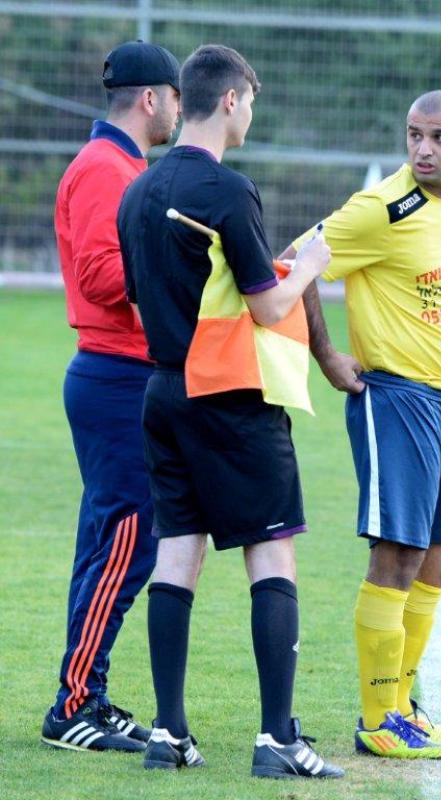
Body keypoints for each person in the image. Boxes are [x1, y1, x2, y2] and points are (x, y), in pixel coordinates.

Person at [117, 44, 344, 779]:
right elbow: (268, 304)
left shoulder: (136, 192)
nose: (251, 114)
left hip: (162, 393)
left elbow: (140, 298)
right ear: (230, 100)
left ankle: (168, 733)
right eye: (250, 102)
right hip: (231, 398)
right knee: (271, 552)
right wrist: (310, 265)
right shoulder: (226, 189)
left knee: (176, 551)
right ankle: (277, 739)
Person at [283, 90, 441, 759]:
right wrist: (326, 354)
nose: (424, 149)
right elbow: (297, 256)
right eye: (414, 135)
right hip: (395, 399)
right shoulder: (383, 208)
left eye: (439, 137)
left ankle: (402, 705)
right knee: (396, 554)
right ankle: (379, 719)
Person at [41, 40, 181, 753]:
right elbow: (100, 276)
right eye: (176, 98)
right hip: (116, 377)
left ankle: (85, 694)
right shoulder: (106, 168)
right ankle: (73, 706)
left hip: (120, 375)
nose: (179, 111)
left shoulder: (122, 165)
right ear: (151, 98)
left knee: (110, 543)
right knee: (128, 542)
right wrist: (178, 273)